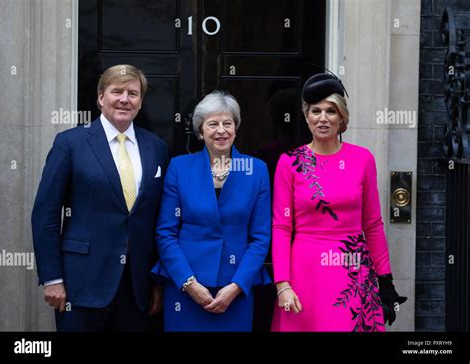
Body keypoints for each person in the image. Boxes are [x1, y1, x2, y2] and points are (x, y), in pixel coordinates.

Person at [32, 64, 169, 331]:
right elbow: (46, 214)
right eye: (116, 91)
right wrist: (52, 278)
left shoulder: (157, 147)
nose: (124, 99)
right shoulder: (70, 143)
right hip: (80, 284)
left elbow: (158, 218)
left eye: (132, 93)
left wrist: (157, 282)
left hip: (136, 287)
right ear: (100, 97)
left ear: (140, 102)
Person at [271, 73, 407, 332]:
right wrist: (283, 285)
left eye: (331, 111)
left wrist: (385, 280)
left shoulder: (362, 159)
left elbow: (373, 224)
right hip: (304, 272)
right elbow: (281, 228)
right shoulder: (290, 163)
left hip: (352, 269)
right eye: (316, 111)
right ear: (307, 117)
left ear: (342, 117)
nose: (323, 118)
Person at [151, 91, 271, 331]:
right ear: (200, 130)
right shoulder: (179, 168)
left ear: (236, 129)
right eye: (213, 124)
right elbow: (166, 233)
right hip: (186, 288)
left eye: (228, 123)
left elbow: (260, 238)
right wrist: (189, 283)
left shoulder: (256, 170)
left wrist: (237, 285)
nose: (221, 130)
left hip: (236, 292)